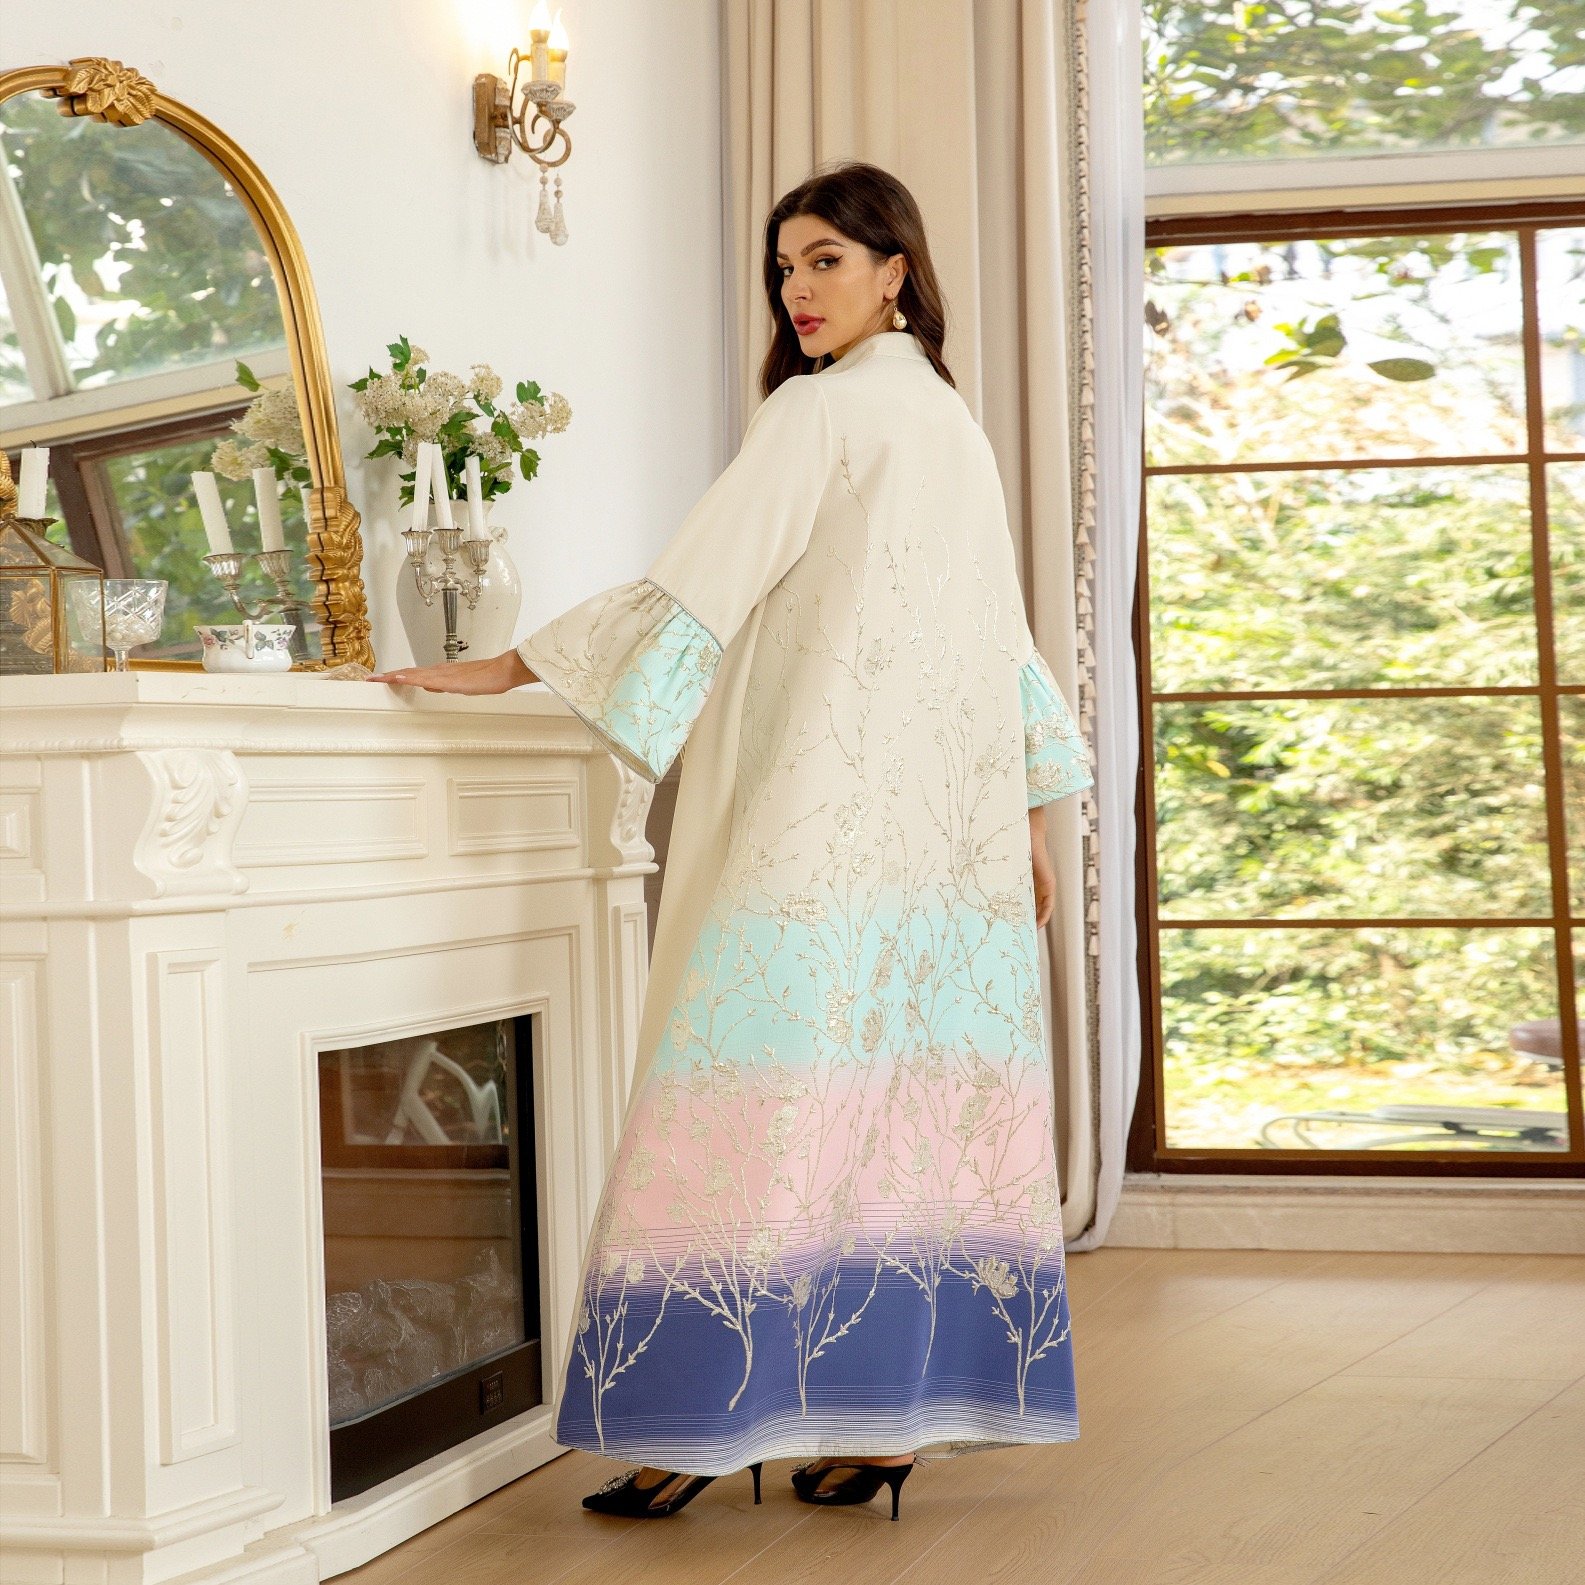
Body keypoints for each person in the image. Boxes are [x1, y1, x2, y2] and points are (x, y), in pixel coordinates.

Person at [372, 161, 1093, 1522]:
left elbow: (700, 584)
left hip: (817, 822)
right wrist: (1019, 823)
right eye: (784, 268)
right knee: (894, 1108)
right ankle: (879, 1421)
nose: (798, 291)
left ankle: (693, 1423)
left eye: (825, 261)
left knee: (744, 1100)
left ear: (894, 270)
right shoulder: (947, 419)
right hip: (942, 844)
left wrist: (513, 664)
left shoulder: (825, 413)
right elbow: (998, 645)